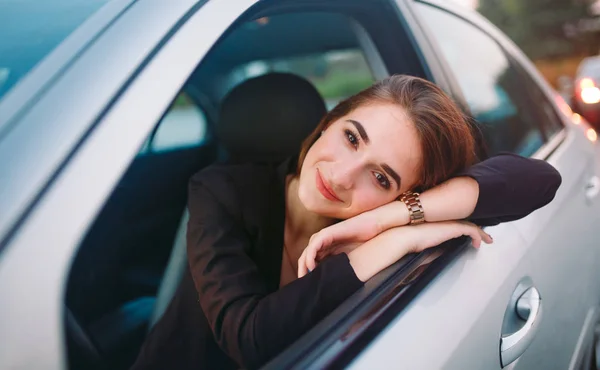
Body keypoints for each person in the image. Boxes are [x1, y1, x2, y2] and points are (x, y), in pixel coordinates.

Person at [131, 75, 561, 370]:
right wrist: (383, 247)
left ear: (406, 192)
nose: (339, 176)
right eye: (351, 137)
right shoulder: (221, 190)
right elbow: (249, 339)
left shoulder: (393, 215)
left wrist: (392, 220)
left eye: (380, 177)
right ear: (329, 120)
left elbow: (540, 180)